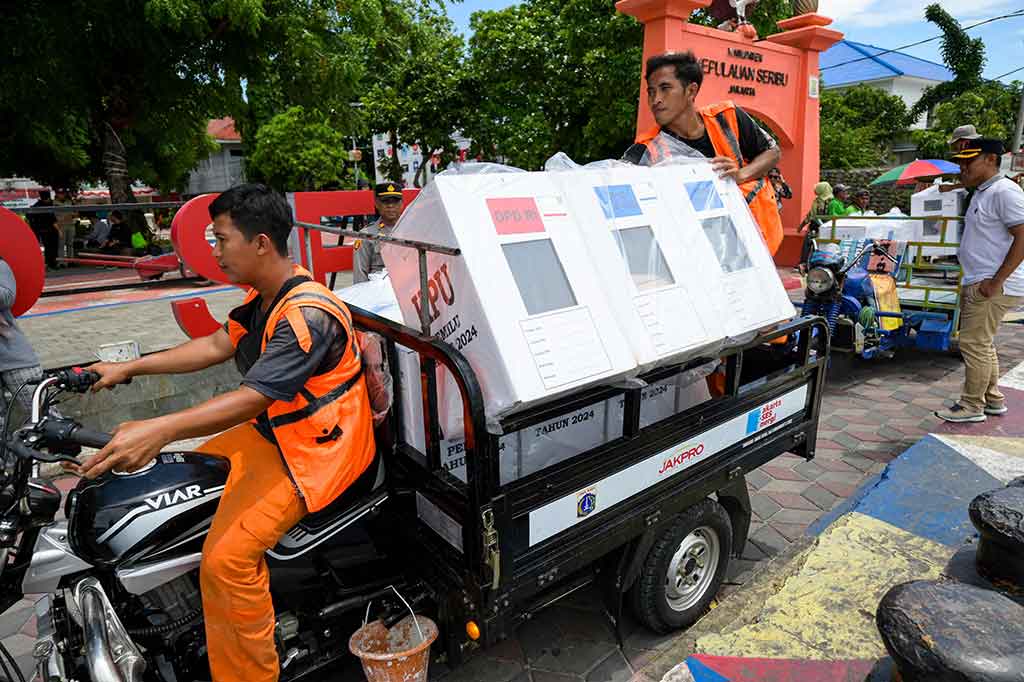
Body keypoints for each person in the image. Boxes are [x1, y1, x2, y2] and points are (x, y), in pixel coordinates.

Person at [75, 184, 376, 682]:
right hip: (276, 436)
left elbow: (254, 397)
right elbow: (217, 343)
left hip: (317, 455)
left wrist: (160, 428)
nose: (215, 251)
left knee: (227, 562)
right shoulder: (264, 299)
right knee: (163, 486)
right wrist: (129, 369)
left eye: (221, 239)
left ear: (260, 243)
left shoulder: (307, 314)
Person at [622, 51, 784, 254]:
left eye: (665, 89)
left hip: (756, 247)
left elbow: (773, 152)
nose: (656, 100)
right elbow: (617, 184)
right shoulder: (646, 149)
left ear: (691, 91)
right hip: (699, 255)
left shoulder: (728, 117)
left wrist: (742, 174)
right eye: (651, 92)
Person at [936, 139, 1024, 423]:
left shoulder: (1004, 191)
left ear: (990, 159)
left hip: (990, 283)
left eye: (968, 161)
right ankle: (992, 398)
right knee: (982, 344)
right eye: (960, 162)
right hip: (982, 279)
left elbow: (1023, 235)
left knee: (973, 344)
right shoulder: (985, 191)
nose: (962, 167)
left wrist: (995, 281)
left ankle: (972, 405)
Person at [0, 257, 51, 435]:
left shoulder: (1, 265)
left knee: (42, 413)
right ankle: (8, 462)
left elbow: (6, 297)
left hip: (14, 358)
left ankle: (68, 454)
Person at [353, 182, 404, 283]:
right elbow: (360, 275)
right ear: (377, 204)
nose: (390, 206)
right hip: (379, 290)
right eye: (385, 202)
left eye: (395, 202)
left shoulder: (412, 231)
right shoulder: (367, 235)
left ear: (402, 204)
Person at [26, 190, 59, 270]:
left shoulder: (36, 205)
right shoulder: (46, 205)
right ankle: (50, 263)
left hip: (41, 229)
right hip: (48, 229)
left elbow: (28, 216)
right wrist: (59, 230)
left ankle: (49, 263)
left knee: (49, 248)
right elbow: (52, 219)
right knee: (50, 248)